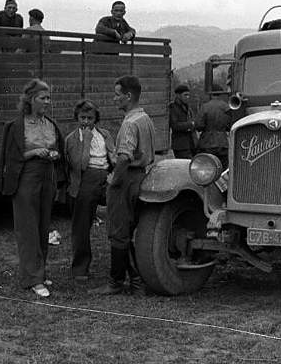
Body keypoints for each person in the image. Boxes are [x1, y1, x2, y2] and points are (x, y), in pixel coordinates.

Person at [0, 79, 65, 297]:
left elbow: (58, 149)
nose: (47, 101)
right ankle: (33, 279)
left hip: (48, 176)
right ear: (30, 99)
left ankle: (40, 273)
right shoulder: (17, 125)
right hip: (26, 177)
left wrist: (55, 154)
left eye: (48, 97)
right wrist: (34, 153)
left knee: (43, 226)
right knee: (28, 228)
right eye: (43, 98)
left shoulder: (50, 124)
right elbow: (11, 157)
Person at [93, 75, 155, 295]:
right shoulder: (145, 118)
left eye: (117, 94)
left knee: (119, 232)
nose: (114, 99)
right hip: (141, 177)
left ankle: (118, 282)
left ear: (128, 96)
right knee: (128, 230)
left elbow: (124, 157)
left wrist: (115, 180)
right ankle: (135, 281)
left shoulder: (129, 123)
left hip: (127, 179)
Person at [65, 99, 115, 281]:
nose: (86, 122)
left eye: (90, 118)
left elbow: (113, 157)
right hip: (85, 180)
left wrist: (114, 165)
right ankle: (80, 268)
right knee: (81, 226)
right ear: (77, 118)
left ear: (96, 119)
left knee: (120, 217)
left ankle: (123, 266)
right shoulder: (72, 139)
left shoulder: (105, 134)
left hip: (105, 178)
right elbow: (80, 165)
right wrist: (86, 141)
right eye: (82, 118)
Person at [195, 84, 231, 170]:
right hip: (223, 143)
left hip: (207, 143)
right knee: (222, 169)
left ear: (211, 94)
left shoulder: (205, 107)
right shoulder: (227, 107)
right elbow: (230, 125)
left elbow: (199, 125)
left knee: (208, 169)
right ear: (221, 94)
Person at [169, 84, 198, 159]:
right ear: (178, 95)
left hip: (191, 144)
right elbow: (175, 125)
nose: (187, 97)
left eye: (188, 95)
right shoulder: (173, 108)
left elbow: (194, 120)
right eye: (185, 95)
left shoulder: (188, 107)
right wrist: (190, 125)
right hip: (180, 145)